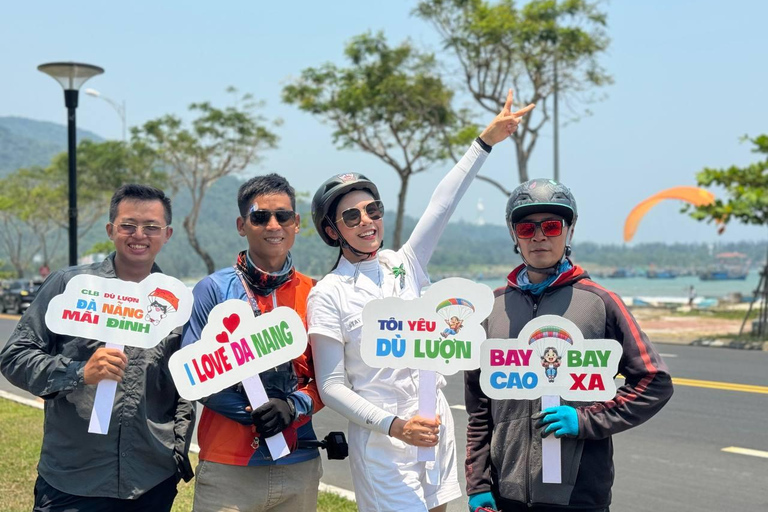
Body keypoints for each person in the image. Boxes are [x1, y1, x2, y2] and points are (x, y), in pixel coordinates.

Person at [307, 89, 535, 512]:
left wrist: (484, 143)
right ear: (332, 230)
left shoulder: (405, 263)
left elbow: (442, 204)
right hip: (382, 440)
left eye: (372, 210)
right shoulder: (328, 294)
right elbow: (332, 386)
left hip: (434, 424)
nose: (367, 222)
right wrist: (395, 427)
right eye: (351, 216)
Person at [464, 179, 674, 512]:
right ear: (513, 235)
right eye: (526, 227)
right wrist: (478, 486)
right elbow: (478, 409)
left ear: (569, 231)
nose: (539, 237)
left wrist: (587, 420)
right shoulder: (492, 310)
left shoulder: (600, 302)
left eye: (551, 226)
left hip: (579, 496)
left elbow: (654, 382)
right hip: (507, 494)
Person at [0, 184, 194, 512]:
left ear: (168, 234)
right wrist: (78, 372)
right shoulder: (71, 287)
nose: (139, 235)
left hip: (149, 480)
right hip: (73, 479)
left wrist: (175, 449)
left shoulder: (177, 305)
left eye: (151, 227)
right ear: (110, 230)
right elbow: (15, 356)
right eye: (128, 225)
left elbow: (184, 386)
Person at [181, 174, 323, 512]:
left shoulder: (316, 293)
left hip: (299, 462)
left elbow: (330, 376)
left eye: (283, 216)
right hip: (229, 467)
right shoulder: (212, 290)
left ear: (297, 223)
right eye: (260, 217)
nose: (273, 225)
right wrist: (252, 413)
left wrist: (292, 407)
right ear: (242, 225)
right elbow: (192, 373)